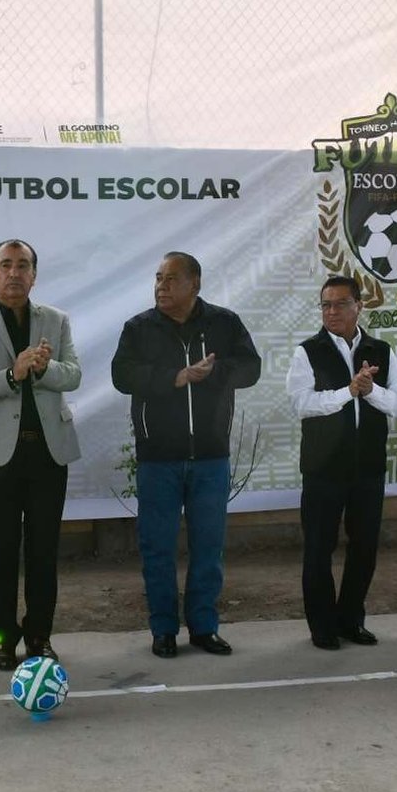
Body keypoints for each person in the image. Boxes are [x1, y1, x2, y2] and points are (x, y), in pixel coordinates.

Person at [112, 251, 261, 658]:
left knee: (208, 547)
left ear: (195, 284)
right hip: (157, 458)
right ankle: (163, 630)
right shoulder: (139, 328)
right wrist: (174, 377)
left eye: (171, 279)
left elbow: (252, 367)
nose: (161, 286)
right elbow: (121, 375)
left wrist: (217, 372)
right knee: (157, 547)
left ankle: (204, 627)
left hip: (210, 456)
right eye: (158, 278)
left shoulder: (223, 323)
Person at [0, 238, 82, 670]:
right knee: (2, 550)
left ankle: (40, 636)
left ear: (34, 274)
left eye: (22, 265)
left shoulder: (56, 320)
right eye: (5, 265)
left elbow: (74, 375)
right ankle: (4, 637)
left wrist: (44, 369)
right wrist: (13, 374)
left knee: (45, 551)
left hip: (48, 453)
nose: (14, 273)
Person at [286, 275, 397, 650]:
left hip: (368, 468)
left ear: (359, 306)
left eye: (340, 304)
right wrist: (347, 392)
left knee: (365, 547)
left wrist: (370, 391)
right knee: (319, 549)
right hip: (323, 469)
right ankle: (322, 626)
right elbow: (301, 404)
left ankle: (351, 619)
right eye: (326, 304)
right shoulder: (307, 352)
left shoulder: (382, 351)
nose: (332, 311)